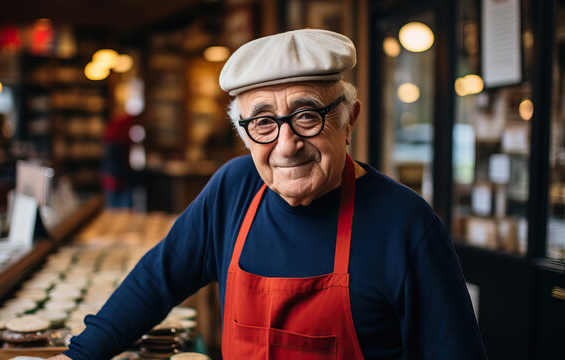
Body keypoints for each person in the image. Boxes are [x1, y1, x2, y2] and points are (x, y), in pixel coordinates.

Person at [49, 29, 487, 360]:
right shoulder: (233, 190)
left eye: (307, 115)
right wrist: (79, 356)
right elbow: (155, 282)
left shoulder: (407, 225)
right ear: (244, 134)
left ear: (349, 119)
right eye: (263, 122)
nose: (287, 143)